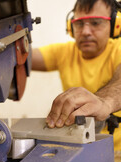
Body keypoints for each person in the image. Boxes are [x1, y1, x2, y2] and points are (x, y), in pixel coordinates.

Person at [32, 0, 121, 151]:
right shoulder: (64, 53)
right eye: (79, 24)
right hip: (79, 149)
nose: (86, 31)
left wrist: (104, 101)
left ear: (114, 26)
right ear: (70, 27)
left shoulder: (118, 50)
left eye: (96, 23)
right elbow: (20, 57)